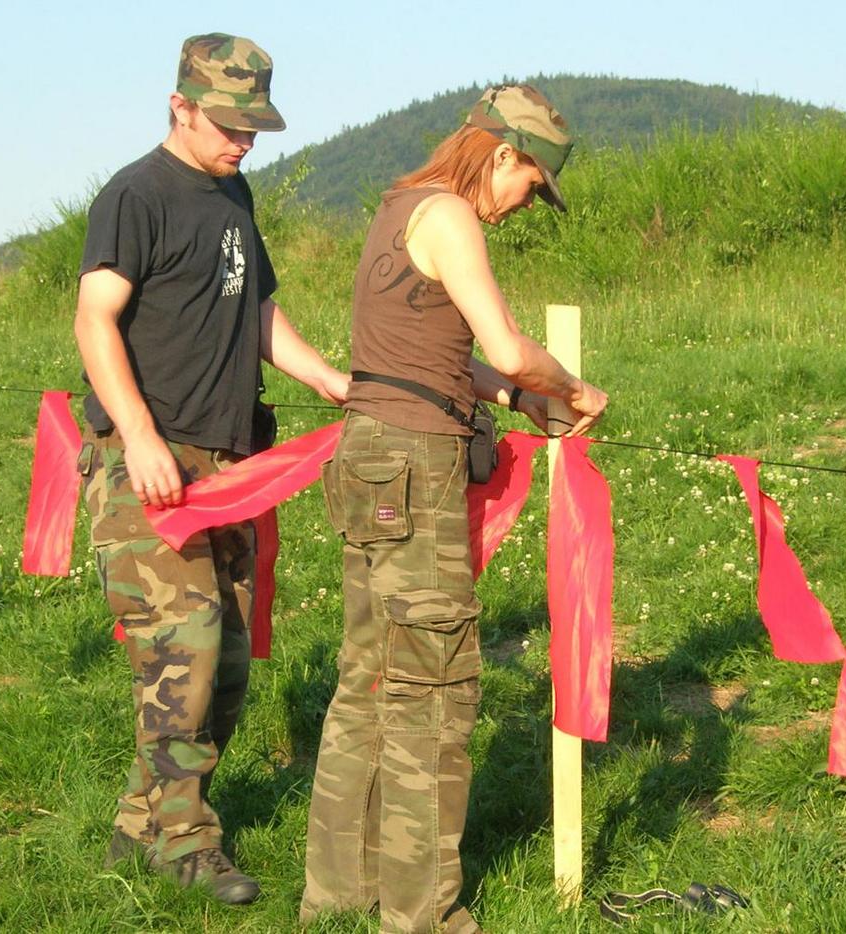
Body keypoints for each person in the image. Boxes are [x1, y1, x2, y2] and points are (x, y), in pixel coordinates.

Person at [301, 84, 609, 933]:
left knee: (365, 680)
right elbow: (505, 344)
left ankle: (335, 899)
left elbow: (436, 354)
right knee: (432, 694)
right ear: (503, 155)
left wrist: (517, 400)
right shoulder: (451, 216)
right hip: (415, 465)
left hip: (366, 456)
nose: (526, 205)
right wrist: (575, 388)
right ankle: (422, 915)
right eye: (531, 184)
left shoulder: (398, 205)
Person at [74, 32, 349, 906]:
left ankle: (137, 822)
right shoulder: (135, 195)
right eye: (228, 125)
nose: (243, 142)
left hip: (233, 464)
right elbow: (94, 321)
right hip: (152, 463)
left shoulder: (234, 194)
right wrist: (141, 436)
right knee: (182, 650)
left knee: (222, 663)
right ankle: (187, 843)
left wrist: (330, 379)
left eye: (254, 128)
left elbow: (257, 311)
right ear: (179, 105)